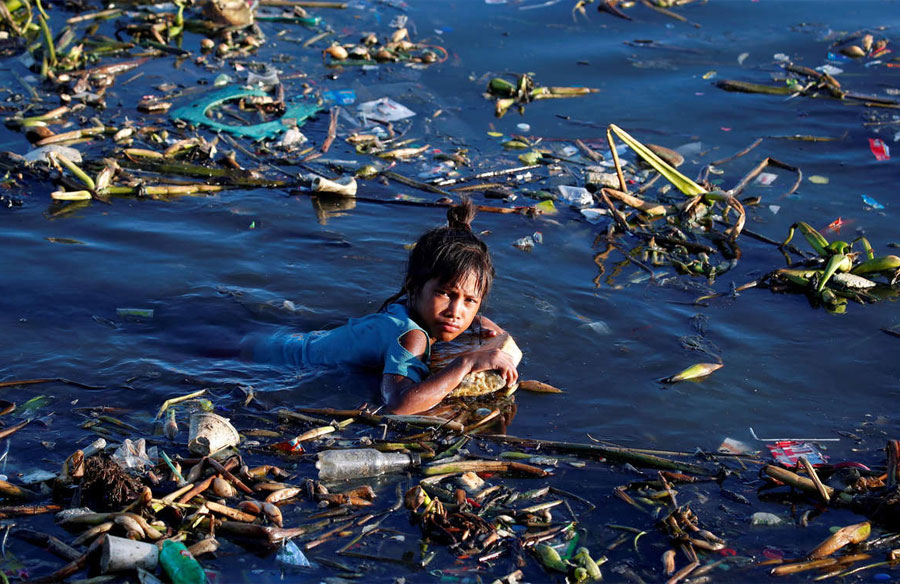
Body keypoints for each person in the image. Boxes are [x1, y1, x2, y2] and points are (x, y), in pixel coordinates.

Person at [245, 198, 518, 414]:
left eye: (470, 301)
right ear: (414, 287)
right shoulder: (412, 337)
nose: (456, 312)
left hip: (283, 343)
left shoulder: (410, 309)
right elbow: (399, 404)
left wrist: (480, 323)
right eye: (446, 294)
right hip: (275, 361)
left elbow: (454, 307)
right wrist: (465, 364)